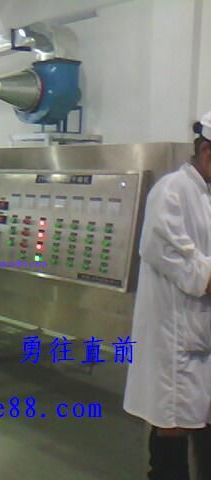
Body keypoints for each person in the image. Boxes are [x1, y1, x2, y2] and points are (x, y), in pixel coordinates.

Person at [123, 112, 211, 480]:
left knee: (196, 418)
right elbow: (184, 265)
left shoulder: (204, 194)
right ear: (206, 151)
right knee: (171, 423)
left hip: (198, 336)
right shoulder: (172, 191)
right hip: (173, 337)